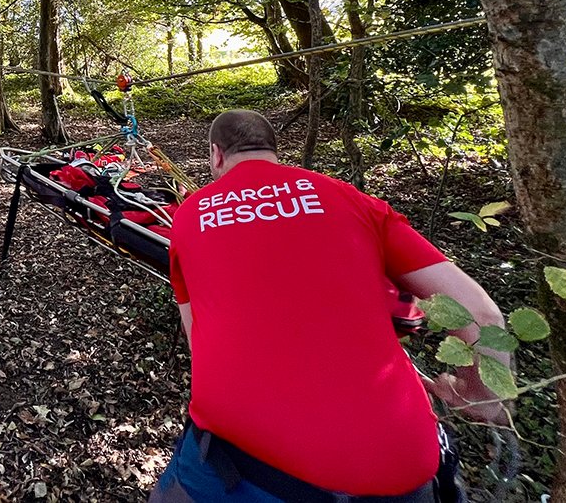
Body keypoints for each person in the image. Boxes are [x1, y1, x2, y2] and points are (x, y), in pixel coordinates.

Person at [151, 110, 509, 503]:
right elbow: (482, 314)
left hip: (250, 466)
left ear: (216, 155)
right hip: (402, 464)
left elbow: (196, 340)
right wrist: (481, 395)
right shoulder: (350, 199)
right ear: (273, 151)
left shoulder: (188, 216)